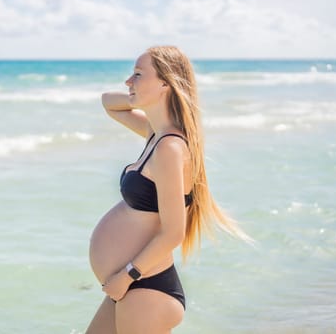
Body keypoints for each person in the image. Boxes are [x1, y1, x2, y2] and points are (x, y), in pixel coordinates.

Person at [86, 46, 252, 334]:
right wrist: (144, 97)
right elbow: (107, 102)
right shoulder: (156, 135)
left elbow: (174, 231)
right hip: (132, 286)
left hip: (143, 286)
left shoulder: (170, 148)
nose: (128, 82)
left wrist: (127, 276)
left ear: (166, 83)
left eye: (137, 74)